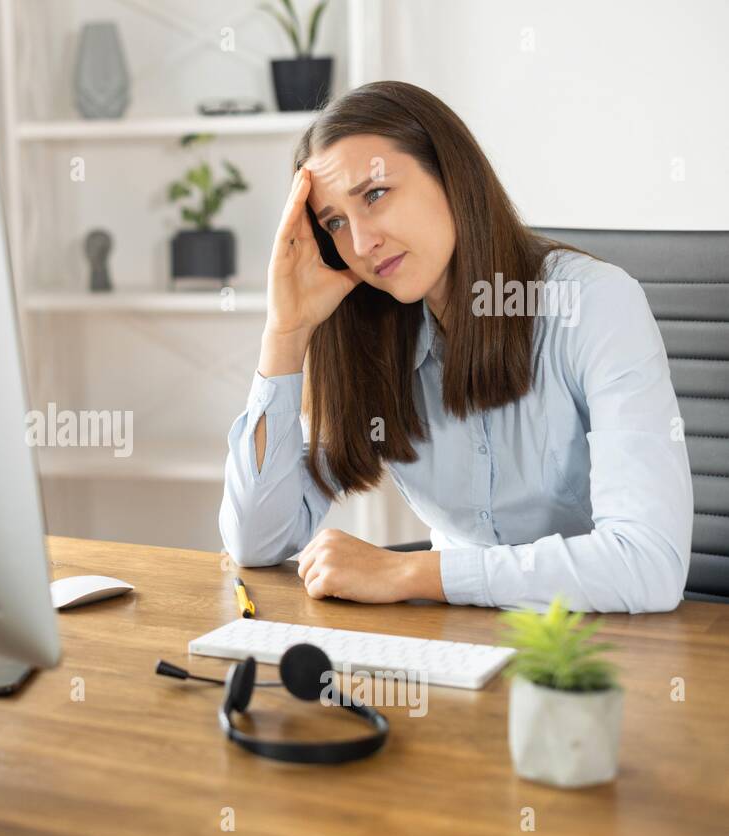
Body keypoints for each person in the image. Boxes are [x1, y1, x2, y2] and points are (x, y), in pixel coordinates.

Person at [219, 81, 692, 614]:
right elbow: (255, 542)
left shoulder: (594, 305)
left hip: (594, 658)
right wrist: (284, 335)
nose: (360, 242)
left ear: (451, 174)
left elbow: (647, 564)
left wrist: (410, 571)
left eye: (374, 195)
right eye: (335, 223)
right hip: (456, 648)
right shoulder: (370, 335)